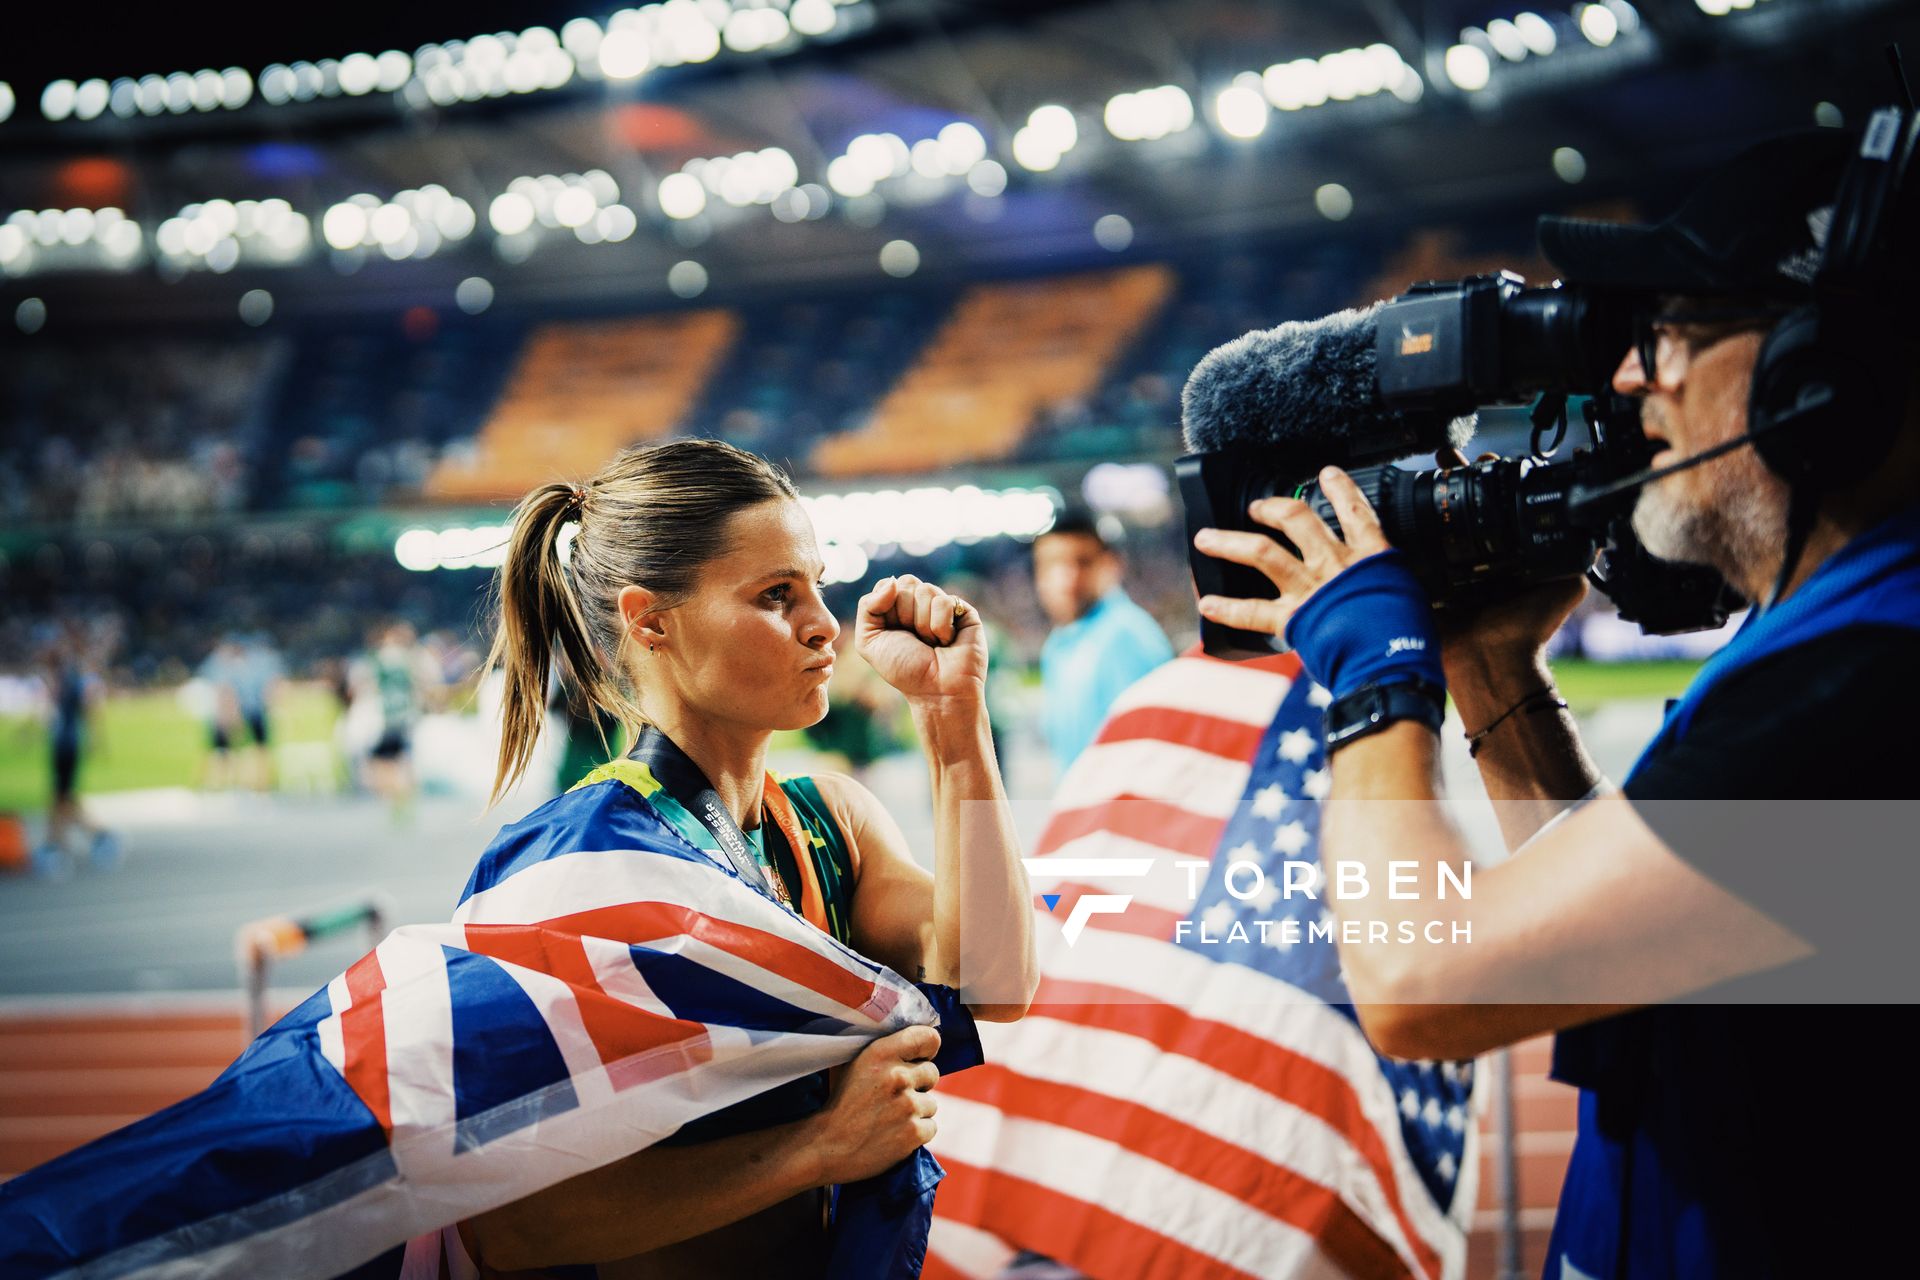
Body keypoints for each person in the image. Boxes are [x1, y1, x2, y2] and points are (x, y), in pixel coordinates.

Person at [1191, 123, 1919, 1276]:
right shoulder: (1845, 646)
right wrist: (1491, 665)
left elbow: (1421, 982)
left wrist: (1377, 665)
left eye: (1675, 329)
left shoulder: (1864, 694)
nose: (1633, 376)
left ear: (1816, 375)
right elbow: (1615, 933)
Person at [457, 438, 1038, 1276]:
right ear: (650, 619)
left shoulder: (827, 824)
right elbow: (510, 1228)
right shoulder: (574, 868)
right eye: (775, 595)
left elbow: (999, 983)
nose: (822, 625)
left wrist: (953, 720)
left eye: (816, 588)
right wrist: (819, 1146)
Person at [1032, 506, 1173, 772]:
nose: (1067, 579)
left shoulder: (1126, 638)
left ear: (1111, 564)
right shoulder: (1059, 643)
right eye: (1052, 564)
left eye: (1082, 562)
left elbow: (1145, 758)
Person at [35, 634, 118, 874]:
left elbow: (88, 710)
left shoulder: (71, 679)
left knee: (63, 799)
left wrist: (96, 739)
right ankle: (59, 845)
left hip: (67, 746)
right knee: (61, 798)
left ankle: (66, 844)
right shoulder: (63, 679)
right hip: (63, 744)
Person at [350, 621, 440, 821]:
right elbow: (426, 681)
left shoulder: (375, 660)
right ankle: (405, 799)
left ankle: (393, 800)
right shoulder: (411, 658)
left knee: (382, 761)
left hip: (383, 717)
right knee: (402, 759)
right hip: (407, 716)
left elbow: (364, 687)